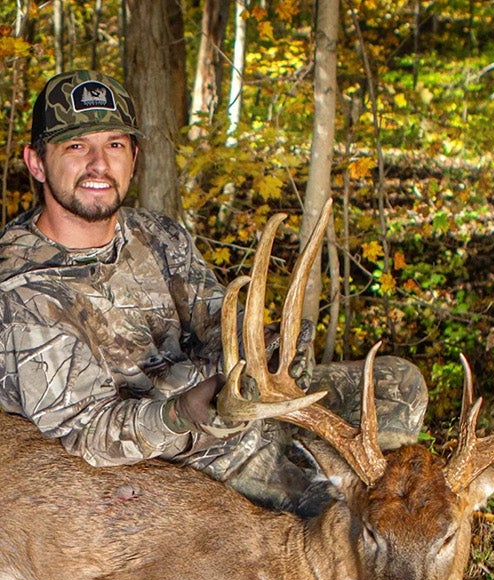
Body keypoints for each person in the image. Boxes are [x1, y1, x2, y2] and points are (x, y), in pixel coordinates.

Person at [0, 70, 427, 516]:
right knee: (345, 514)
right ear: (36, 162)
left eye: (114, 145)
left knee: (398, 386)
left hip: (228, 406)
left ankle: (383, 498)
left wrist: (271, 345)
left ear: (134, 157)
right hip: (160, 456)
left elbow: (216, 323)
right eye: (76, 146)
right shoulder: (23, 292)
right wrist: (183, 410)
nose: (99, 164)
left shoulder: (156, 234)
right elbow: (88, 434)